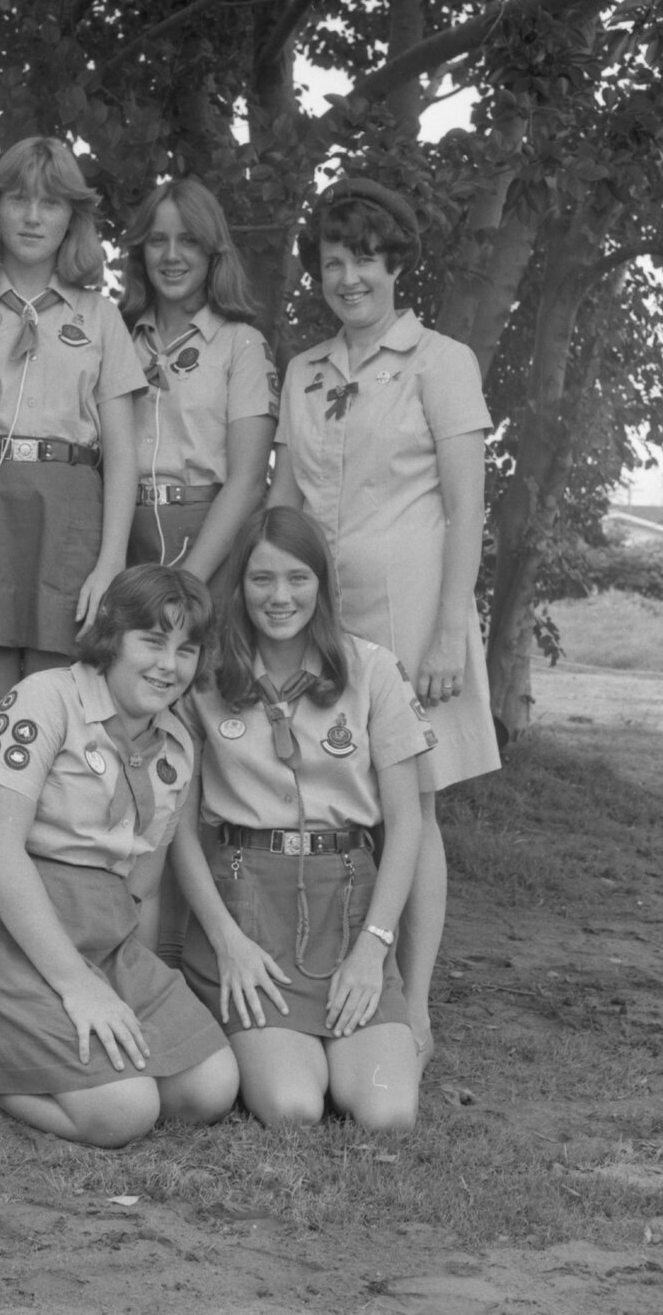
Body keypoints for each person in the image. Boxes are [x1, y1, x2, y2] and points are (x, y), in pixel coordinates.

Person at [268, 177, 501, 1069]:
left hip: (409, 614)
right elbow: (284, 505)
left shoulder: (440, 362)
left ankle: (416, 1004)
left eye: (364, 257)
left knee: (414, 807)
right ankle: (330, 980)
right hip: (318, 616)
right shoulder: (303, 370)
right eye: (332, 262)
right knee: (332, 802)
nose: (349, 277)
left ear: (396, 262)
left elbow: (465, 505)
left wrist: (451, 627)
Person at [0, 566, 239, 1147]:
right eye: (152, 642)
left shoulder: (178, 745)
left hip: (98, 928)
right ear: (113, 636)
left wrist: (133, 989)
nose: (170, 665)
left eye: (186, 649)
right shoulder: (44, 699)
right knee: (123, 1112)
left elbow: (140, 885)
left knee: (208, 1089)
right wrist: (79, 987)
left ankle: (58, 1057)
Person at [172, 507, 433, 1130]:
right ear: (238, 586)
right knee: (293, 1107)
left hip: (347, 907)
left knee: (386, 1114)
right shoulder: (203, 677)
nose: (279, 597)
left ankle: (377, 1033)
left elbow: (407, 823)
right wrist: (226, 942)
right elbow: (179, 828)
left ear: (323, 584)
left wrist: (374, 949)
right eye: (261, 579)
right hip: (248, 907)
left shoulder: (373, 670)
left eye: (297, 578)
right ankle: (266, 1040)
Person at [0, 138, 144, 733]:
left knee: (59, 715)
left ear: (72, 218)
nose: (32, 216)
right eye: (18, 198)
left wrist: (108, 565)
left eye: (50, 203)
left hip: (71, 512)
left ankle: (50, 825)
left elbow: (123, 456)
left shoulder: (100, 317)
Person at [120, 178, 278, 581]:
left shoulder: (242, 345)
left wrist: (192, 578)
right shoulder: (116, 340)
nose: (172, 256)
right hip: (124, 535)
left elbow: (248, 482)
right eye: (158, 240)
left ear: (212, 250)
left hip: (211, 541)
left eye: (189, 240)